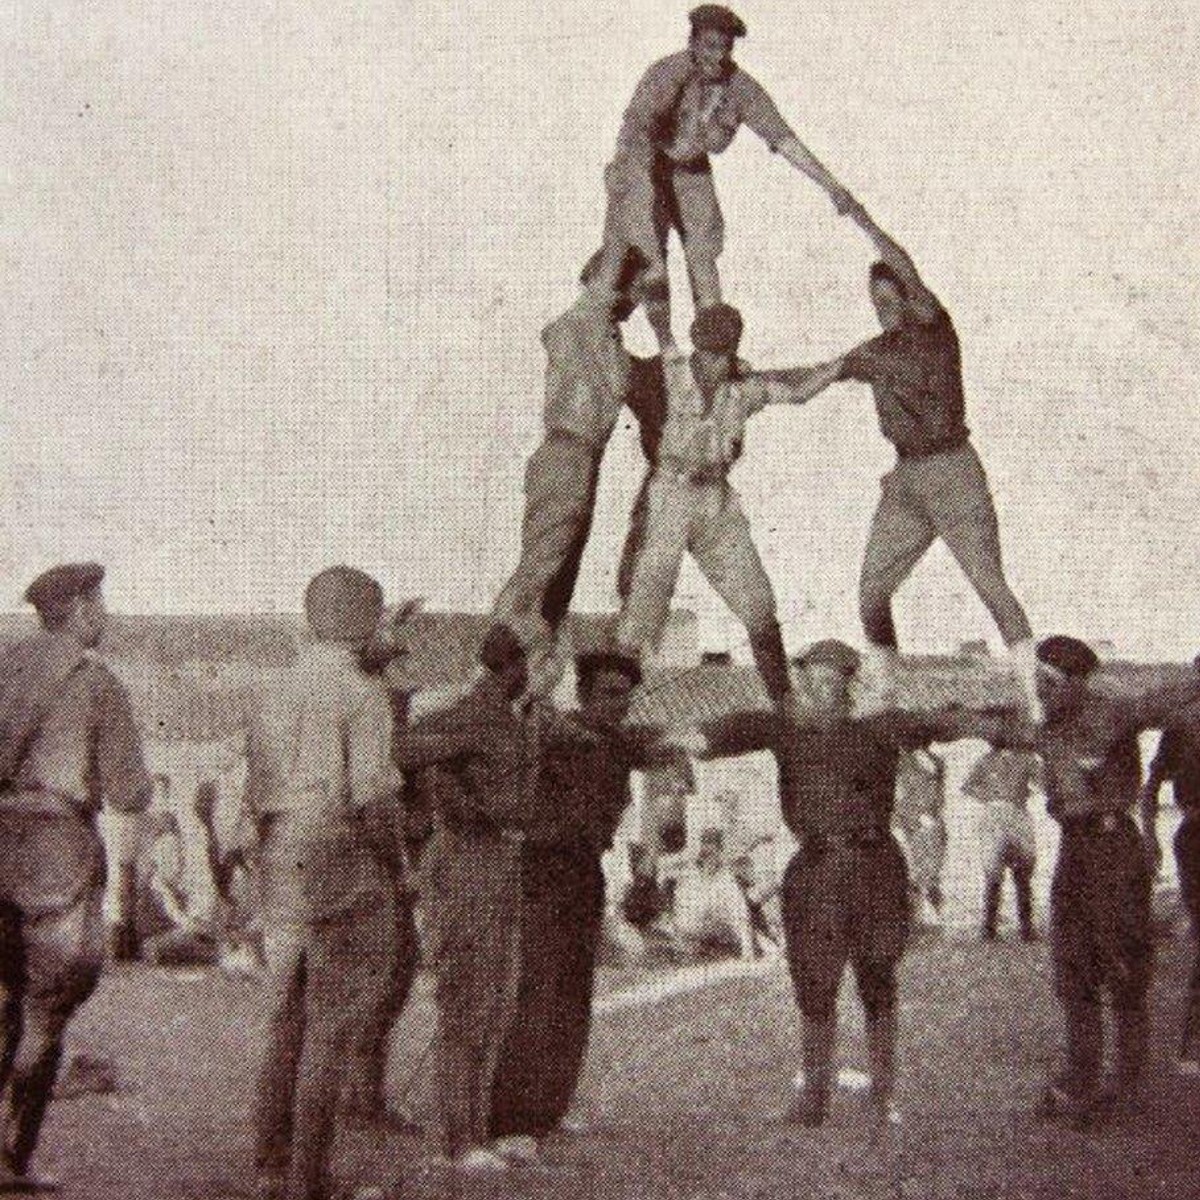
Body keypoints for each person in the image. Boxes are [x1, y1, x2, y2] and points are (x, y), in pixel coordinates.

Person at [693, 639, 1000, 1128]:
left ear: (850, 685)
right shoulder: (782, 730)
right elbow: (714, 736)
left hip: (876, 864)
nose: (822, 689)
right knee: (815, 985)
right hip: (815, 870)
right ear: (802, 683)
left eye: (834, 680)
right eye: (813, 679)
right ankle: (813, 1095)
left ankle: (883, 1095)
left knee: (878, 979)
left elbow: (944, 723)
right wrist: (682, 740)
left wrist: (994, 723)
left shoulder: (879, 728)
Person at [808, 204, 1041, 719]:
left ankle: (1032, 693)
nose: (884, 308)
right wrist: (747, 383)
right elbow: (813, 379)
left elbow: (903, 265)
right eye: (877, 302)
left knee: (987, 580)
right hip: (908, 476)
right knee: (871, 590)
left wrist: (865, 221)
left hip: (953, 468)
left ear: (910, 298)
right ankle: (884, 686)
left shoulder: (935, 330)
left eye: (891, 298)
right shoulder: (873, 351)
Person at [390, 624, 594, 1173]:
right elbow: (401, 750)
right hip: (470, 862)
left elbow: (572, 740)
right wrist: (450, 797)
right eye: (543, 664)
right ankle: (458, 1141)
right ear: (517, 665)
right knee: (469, 1001)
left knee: (494, 999)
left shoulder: (514, 717)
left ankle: (474, 1130)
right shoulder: (472, 715)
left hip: (503, 861)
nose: (550, 676)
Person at [244, 567, 406, 1200]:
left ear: (311, 617)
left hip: (281, 853)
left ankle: (269, 1163)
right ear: (367, 620)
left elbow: (255, 793)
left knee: (281, 1018)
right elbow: (373, 799)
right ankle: (309, 1180)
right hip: (340, 855)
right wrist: (396, 869)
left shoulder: (270, 688)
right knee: (329, 1028)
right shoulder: (362, 693)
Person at [992, 636, 1200, 1126]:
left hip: (1113, 850)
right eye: (1037, 680)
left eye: (1050, 682)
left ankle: (1128, 1088)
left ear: (1079, 682)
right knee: (1073, 972)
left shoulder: (1112, 713)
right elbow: (993, 726)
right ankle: (1082, 1078)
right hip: (1074, 852)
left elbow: (1168, 697)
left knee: (1124, 970)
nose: (1040, 690)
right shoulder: (1048, 723)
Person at [488, 651, 688, 1154]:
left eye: (626, 695)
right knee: (536, 990)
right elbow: (527, 729)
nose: (619, 704)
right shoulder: (554, 733)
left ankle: (549, 1109)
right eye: (607, 693)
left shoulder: (622, 742)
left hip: (584, 872)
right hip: (540, 868)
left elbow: (667, 756)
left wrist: (673, 767)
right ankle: (508, 1120)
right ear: (582, 694)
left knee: (574, 992)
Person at [0, 562, 152, 1192]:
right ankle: (10, 1162)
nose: (108, 615)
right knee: (47, 1006)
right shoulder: (96, 683)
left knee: (6, 997)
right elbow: (128, 792)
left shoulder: (6, 668)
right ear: (84, 609)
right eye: (102, 603)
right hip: (55, 853)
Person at [615, 302, 844, 707]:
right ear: (696, 346)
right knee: (642, 613)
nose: (715, 365)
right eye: (708, 353)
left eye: (723, 355)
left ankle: (784, 706)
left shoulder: (741, 389)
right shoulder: (664, 373)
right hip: (668, 493)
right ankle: (611, 711)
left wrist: (839, 367)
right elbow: (614, 368)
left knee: (758, 604)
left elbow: (795, 391)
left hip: (716, 497)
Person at [593, 4, 856, 351]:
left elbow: (783, 138)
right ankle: (660, 345)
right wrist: (637, 199)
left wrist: (830, 185)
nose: (715, 57)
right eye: (708, 46)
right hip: (644, 164)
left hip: (691, 174)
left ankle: (713, 349)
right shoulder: (667, 73)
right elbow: (634, 134)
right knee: (645, 259)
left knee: (703, 253)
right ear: (693, 43)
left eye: (723, 48)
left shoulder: (740, 87)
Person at [492, 248, 655, 637]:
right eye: (637, 289)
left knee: (556, 582)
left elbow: (644, 378)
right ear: (614, 284)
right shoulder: (585, 320)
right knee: (541, 568)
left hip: (584, 459)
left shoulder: (610, 343)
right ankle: (492, 665)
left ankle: (522, 672)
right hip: (566, 452)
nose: (641, 300)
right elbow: (606, 271)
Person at [1140, 713, 1200, 1076]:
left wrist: (1150, 835)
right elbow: (1150, 788)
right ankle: (1194, 1042)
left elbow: (1151, 789)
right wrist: (1149, 838)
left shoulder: (1178, 729)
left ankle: (1193, 1042)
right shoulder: (1179, 729)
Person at [964, 742, 1040, 942]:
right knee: (992, 872)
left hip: (1018, 817)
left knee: (1023, 872)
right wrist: (991, 797)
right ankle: (989, 928)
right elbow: (968, 787)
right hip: (993, 818)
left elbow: (1042, 783)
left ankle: (1026, 927)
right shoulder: (986, 760)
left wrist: (1027, 791)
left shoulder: (1026, 759)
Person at [672, 827, 757, 960]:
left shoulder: (725, 877)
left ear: (719, 852)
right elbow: (682, 910)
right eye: (706, 852)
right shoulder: (690, 875)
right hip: (694, 932)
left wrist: (747, 948)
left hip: (721, 932)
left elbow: (739, 912)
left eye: (713, 852)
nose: (709, 857)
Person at [892, 749, 948, 927]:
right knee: (914, 870)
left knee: (930, 869)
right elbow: (897, 794)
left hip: (930, 821)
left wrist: (932, 814)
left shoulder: (936, 760)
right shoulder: (900, 762)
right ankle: (916, 916)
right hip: (911, 822)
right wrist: (909, 817)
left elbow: (939, 793)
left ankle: (928, 912)